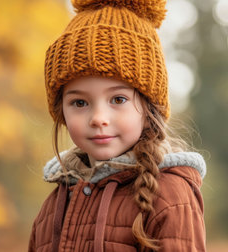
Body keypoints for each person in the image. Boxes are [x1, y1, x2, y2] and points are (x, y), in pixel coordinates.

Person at [28, 0, 206, 251]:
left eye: (118, 99)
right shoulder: (54, 206)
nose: (98, 117)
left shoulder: (170, 196)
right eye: (79, 102)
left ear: (148, 108)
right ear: (61, 113)